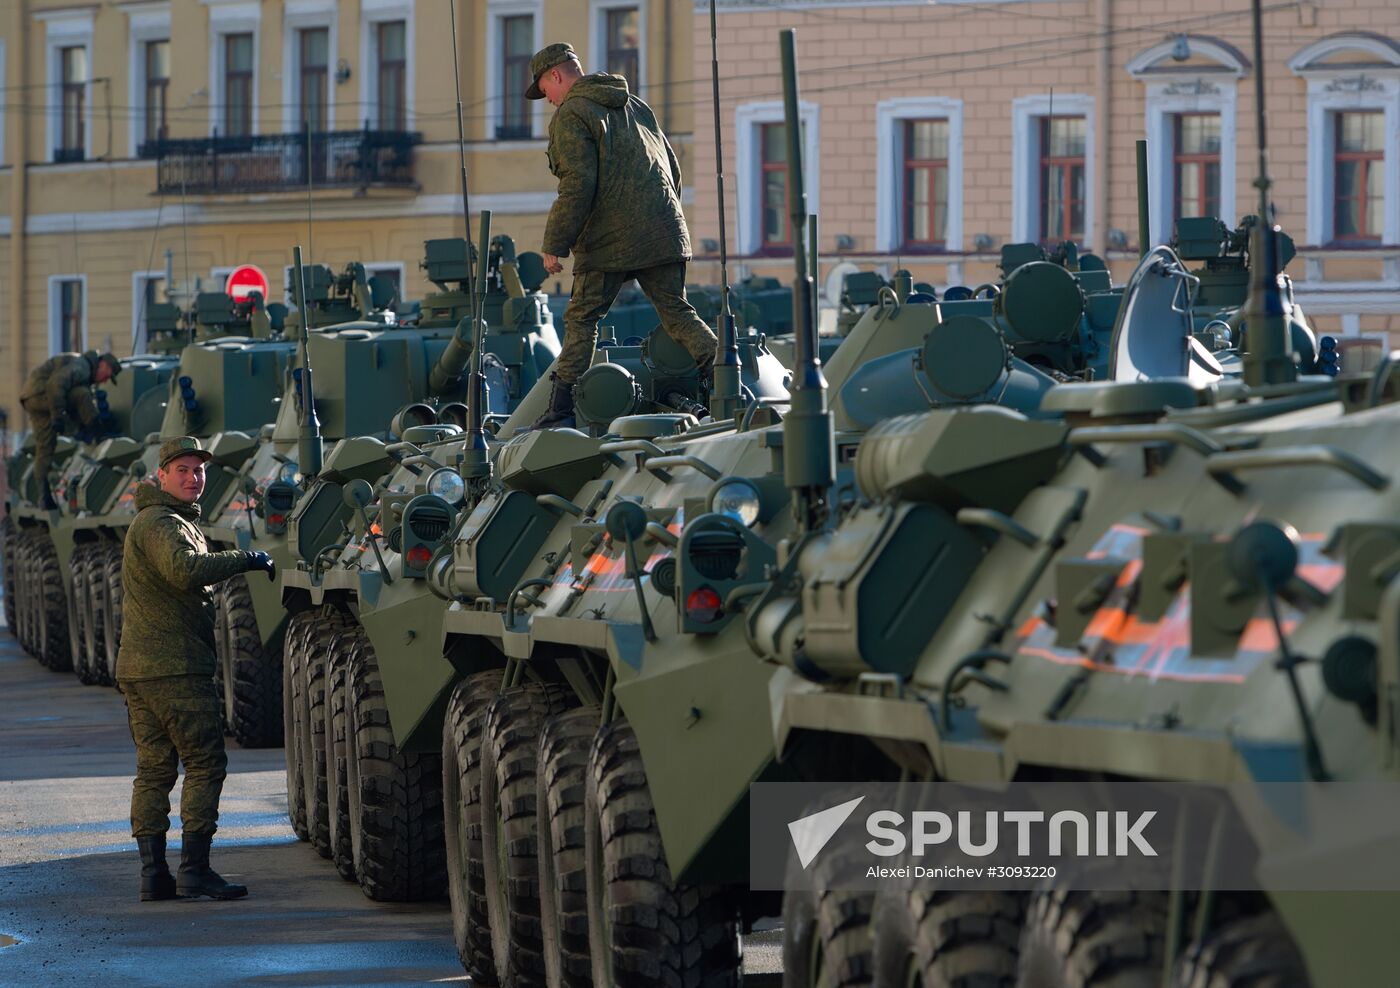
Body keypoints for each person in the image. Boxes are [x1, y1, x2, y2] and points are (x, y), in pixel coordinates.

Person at [116, 436, 276, 901]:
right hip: (174, 668)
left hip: (143, 668)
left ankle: (154, 875)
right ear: (161, 475)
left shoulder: (159, 520)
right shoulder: (161, 523)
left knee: (154, 770)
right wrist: (245, 558)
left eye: (199, 471)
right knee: (205, 762)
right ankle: (194, 869)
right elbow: (184, 570)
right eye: (182, 470)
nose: (193, 478)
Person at [527, 42, 718, 428]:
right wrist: (660, 222)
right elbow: (672, 169)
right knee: (678, 313)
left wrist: (554, 245)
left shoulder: (572, 113)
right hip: (664, 229)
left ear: (556, 76)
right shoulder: (635, 105)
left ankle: (560, 412)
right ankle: (726, 382)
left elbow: (578, 183)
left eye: (544, 90)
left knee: (581, 319)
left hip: (609, 240)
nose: (546, 99)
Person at [19, 350, 121, 509]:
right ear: (102, 365)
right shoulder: (82, 366)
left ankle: (44, 497)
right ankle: (97, 433)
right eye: (107, 375)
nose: (105, 380)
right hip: (41, 393)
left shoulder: (80, 365)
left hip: (31, 397)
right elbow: (56, 384)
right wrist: (58, 416)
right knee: (82, 394)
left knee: (45, 447)